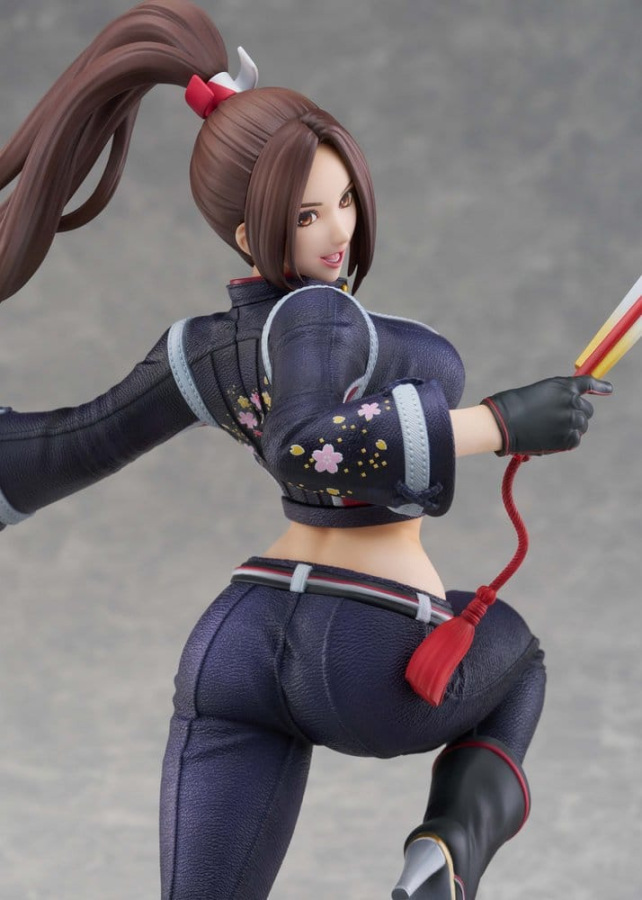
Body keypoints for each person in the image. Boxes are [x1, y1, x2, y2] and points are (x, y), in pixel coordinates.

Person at [0, 2, 613, 898]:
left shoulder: (202, 349)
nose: (338, 232)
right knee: (516, 659)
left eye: (345, 201)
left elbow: (80, 440)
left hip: (235, 645)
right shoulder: (319, 315)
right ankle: (444, 853)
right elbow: (303, 444)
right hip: (365, 647)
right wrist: (497, 422)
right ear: (251, 237)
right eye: (307, 215)